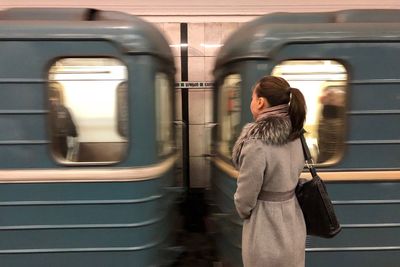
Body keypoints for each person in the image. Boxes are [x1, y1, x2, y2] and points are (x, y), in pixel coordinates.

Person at [232, 76, 307, 267]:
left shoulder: (256, 142)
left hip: (265, 229)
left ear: (260, 102)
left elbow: (245, 198)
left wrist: (243, 210)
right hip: (293, 221)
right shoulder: (297, 133)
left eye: (251, 98)